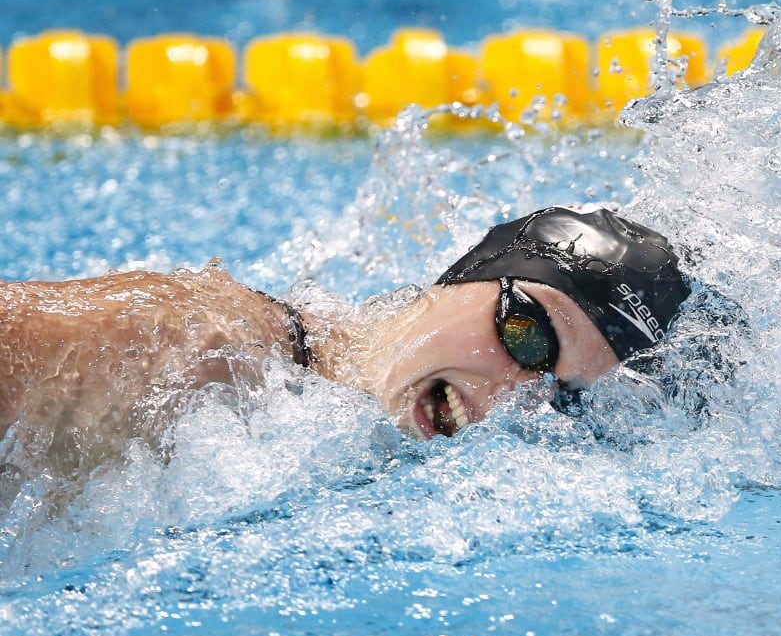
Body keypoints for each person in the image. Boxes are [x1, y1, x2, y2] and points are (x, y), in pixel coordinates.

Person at [0, 207, 690, 494]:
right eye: (526, 334)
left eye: (557, 396)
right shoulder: (204, 343)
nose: (514, 395)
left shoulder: (325, 432)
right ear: (465, 274)